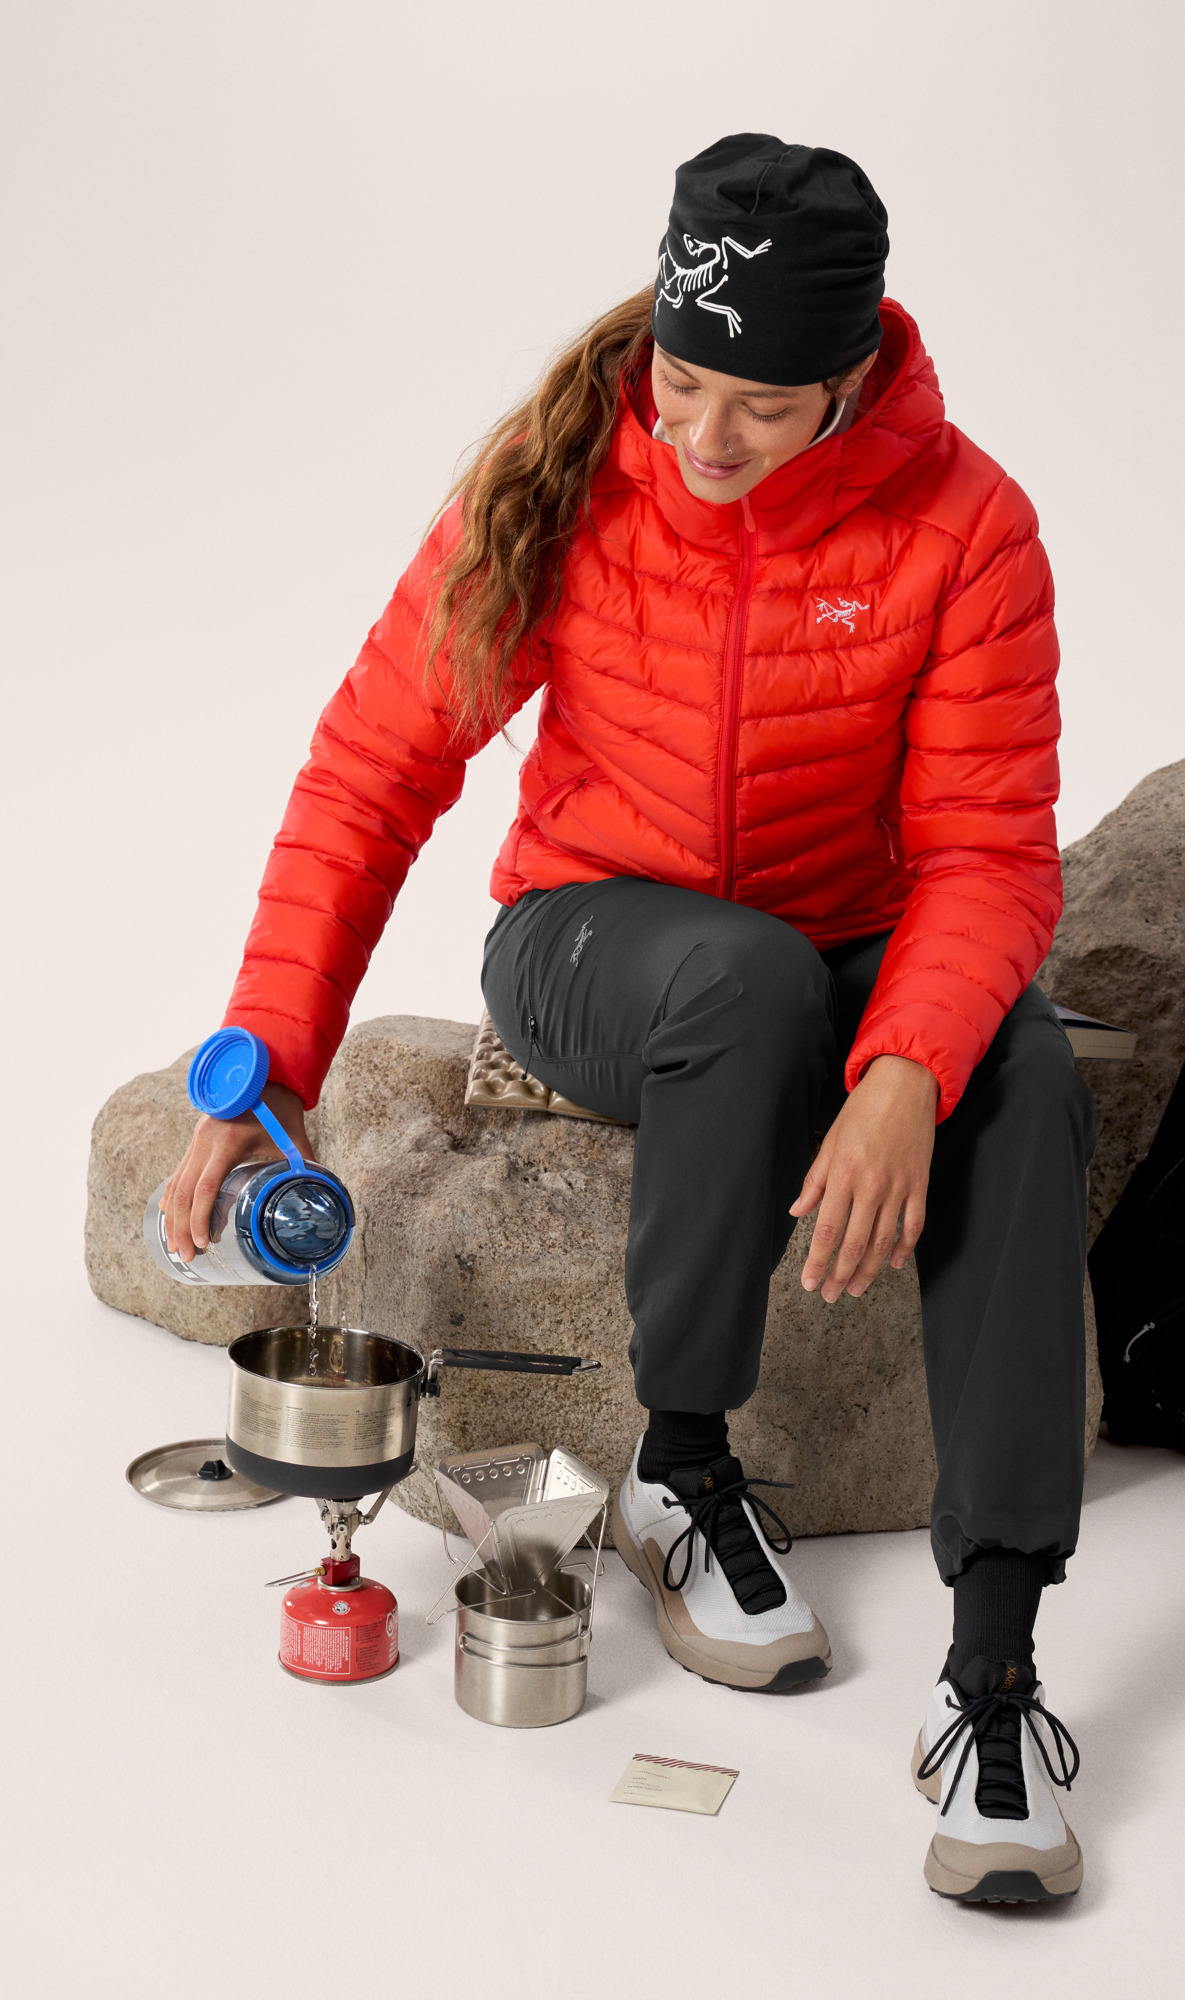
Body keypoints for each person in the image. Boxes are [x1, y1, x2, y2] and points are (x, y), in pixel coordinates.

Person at [161, 133, 1094, 1904]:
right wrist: (262, 1060)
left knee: (1026, 1077)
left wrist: (908, 1072)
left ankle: (994, 1672)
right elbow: (372, 771)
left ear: (854, 375)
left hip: (849, 943)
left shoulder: (969, 526)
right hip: (591, 942)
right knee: (742, 976)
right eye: (680, 382)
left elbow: (986, 853)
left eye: (760, 405)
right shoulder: (568, 472)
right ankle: (680, 1472)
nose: (703, 438)